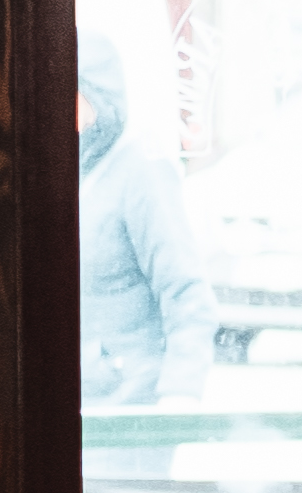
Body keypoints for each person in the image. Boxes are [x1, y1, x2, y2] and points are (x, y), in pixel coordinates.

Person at [77, 29, 215, 407]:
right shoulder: (57, 169)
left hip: (130, 407)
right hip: (73, 403)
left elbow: (185, 289)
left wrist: (181, 391)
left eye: (71, 98)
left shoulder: (141, 172)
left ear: (101, 101)